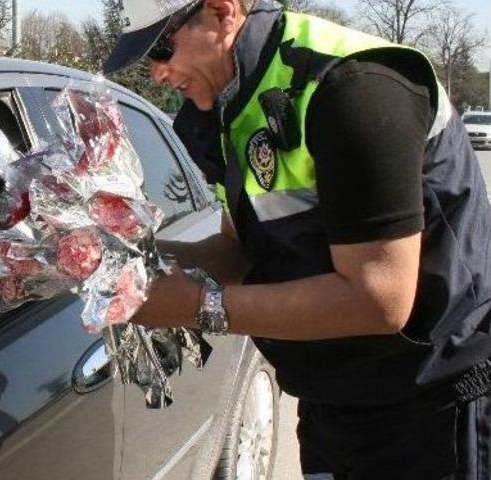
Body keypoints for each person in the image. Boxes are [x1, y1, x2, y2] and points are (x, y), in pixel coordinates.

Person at [104, 0, 491, 478]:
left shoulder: (354, 88)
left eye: (162, 48)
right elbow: (239, 249)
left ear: (222, 12)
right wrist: (127, 261)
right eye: (147, 59)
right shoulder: (236, 103)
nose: (158, 73)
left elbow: (380, 300)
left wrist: (196, 307)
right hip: (331, 408)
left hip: (431, 411)